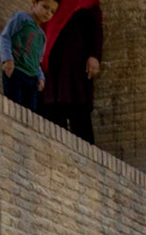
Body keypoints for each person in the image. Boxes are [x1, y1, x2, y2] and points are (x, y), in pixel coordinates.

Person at [38, 0, 103, 143]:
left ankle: (87, 151)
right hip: (52, 65)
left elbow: (96, 30)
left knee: (79, 108)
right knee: (53, 108)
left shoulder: (88, 3)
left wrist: (94, 56)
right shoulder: (53, 4)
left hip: (76, 65)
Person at [0, 0, 57, 111]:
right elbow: (5, 37)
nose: (48, 13)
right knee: (14, 107)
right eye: (45, 7)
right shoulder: (22, 18)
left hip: (32, 78)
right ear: (33, 3)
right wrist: (7, 59)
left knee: (30, 112)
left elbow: (37, 60)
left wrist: (40, 76)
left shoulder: (42, 35)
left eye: (52, 11)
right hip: (16, 71)